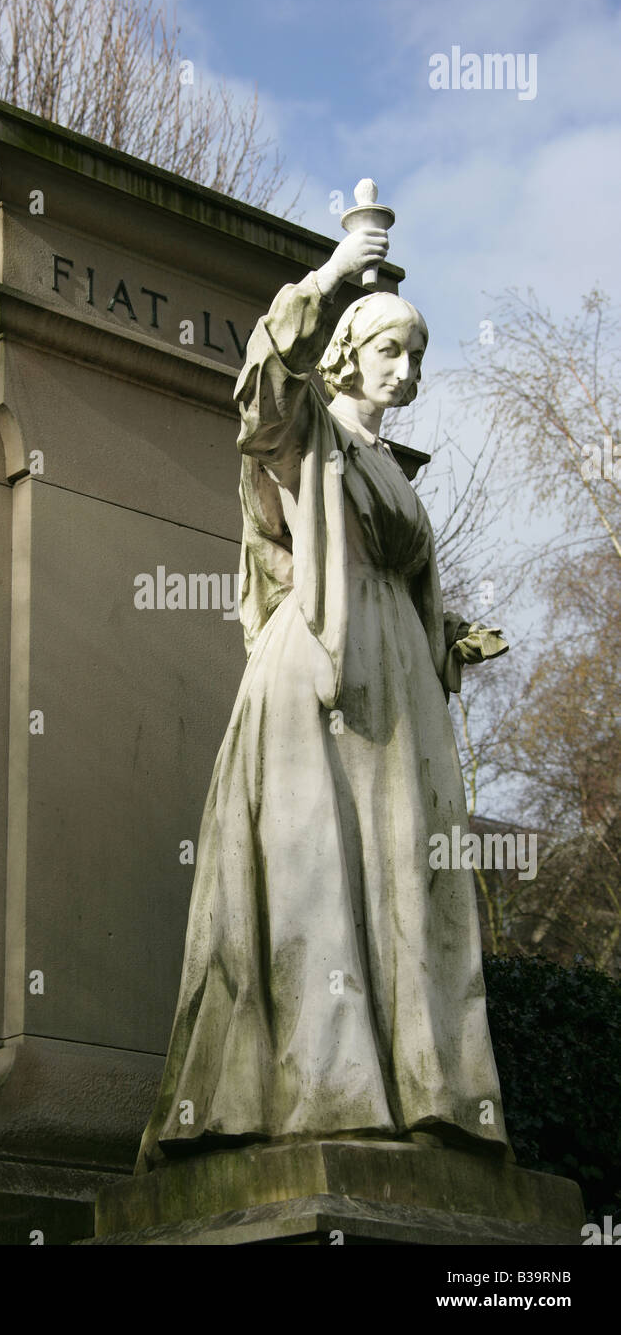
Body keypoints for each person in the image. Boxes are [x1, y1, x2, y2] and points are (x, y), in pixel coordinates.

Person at [135, 229, 512, 1175]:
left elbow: (397, 575)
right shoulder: (311, 428)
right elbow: (261, 390)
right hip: (318, 677)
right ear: (344, 351)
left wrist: (447, 633)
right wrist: (336, 277)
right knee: (318, 878)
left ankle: (425, 1093)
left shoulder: (392, 469)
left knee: (403, 878)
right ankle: (319, 1094)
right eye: (389, 348)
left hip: (399, 684)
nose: (407, 369)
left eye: (417, 354)